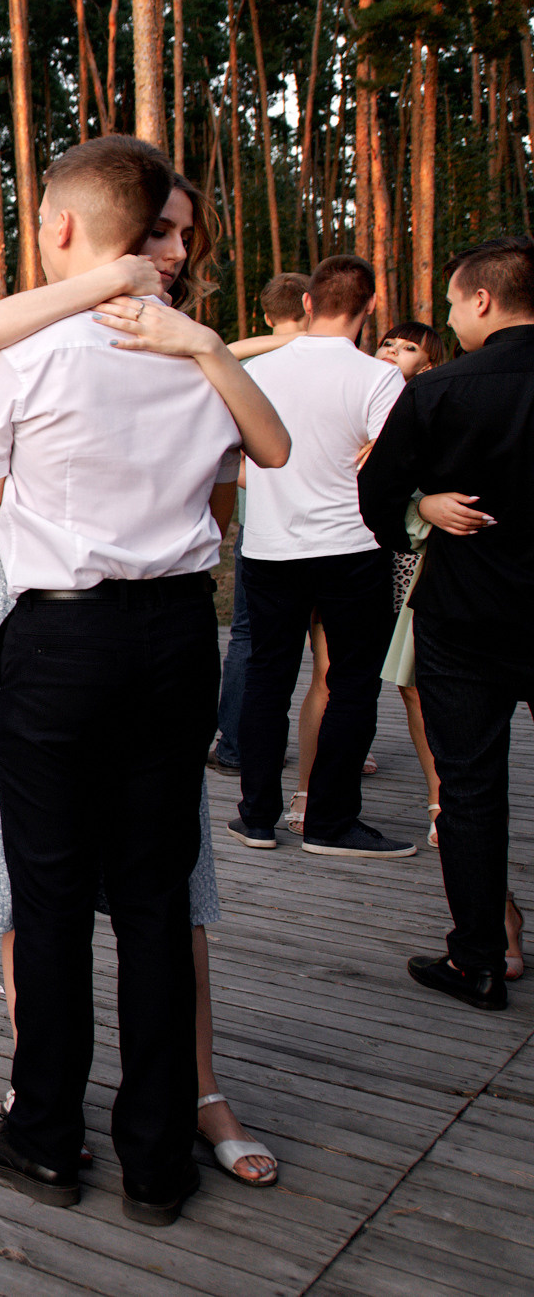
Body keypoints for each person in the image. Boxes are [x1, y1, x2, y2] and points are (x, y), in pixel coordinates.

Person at [0, 169, 286, 1190]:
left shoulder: (13, 359)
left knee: (49, 898)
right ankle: (160, 1157)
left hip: (61, 643)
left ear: (64, 226)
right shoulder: (196, 359)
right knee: (157, 903)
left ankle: (43, 1134)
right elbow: (221, 512)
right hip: (173, 636)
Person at [361, 235, 534, 1012]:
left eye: (457, 303)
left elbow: (376, 495)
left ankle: (479, 958)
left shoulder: (440, 391)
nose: (455, 316)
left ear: (484, 300)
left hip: (468, 613)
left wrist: (414, 510)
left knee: (468, 786)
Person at [227, 256, 412, 858]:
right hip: (352, 548)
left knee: (266, 679)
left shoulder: (258, 371)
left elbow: (230, 454)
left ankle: (256, 817)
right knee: (351, 683)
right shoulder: (378, 378)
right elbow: (394, 465)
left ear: (307, 304)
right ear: (368, 309)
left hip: (271, 546)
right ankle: (330, 822)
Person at [212, 272, 312, 775]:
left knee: (250, 636)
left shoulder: (242, 365)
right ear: (312, 306)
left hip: (263, 523)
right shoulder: (337, 361)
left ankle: (234, 745)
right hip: (333, 525)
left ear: (267, 315)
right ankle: (338, 747)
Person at [371, 322, 449, 840]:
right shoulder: (357, 394)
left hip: (412, 555)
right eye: (388, 342)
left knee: (415, 679)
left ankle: (441, 798)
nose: (394, 351)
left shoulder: (436, 402)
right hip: (352, 552)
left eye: (409, 347)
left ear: (427, 363)